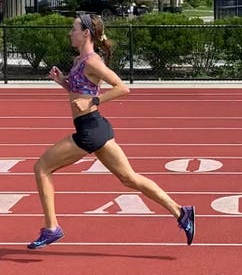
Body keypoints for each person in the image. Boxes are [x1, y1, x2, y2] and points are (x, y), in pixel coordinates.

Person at [27, 13, 195, 249]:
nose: (70, 33)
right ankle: (181, 211)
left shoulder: (93, 61)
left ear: (86, 33)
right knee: (129, 178)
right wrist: (63, 82)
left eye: (73, 29)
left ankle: (52, 228)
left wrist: (92, 102)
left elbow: (122, 88)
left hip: (90, 130)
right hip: (96, 128)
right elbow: (79, 92)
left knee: (42, 167)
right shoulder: (79, 61)